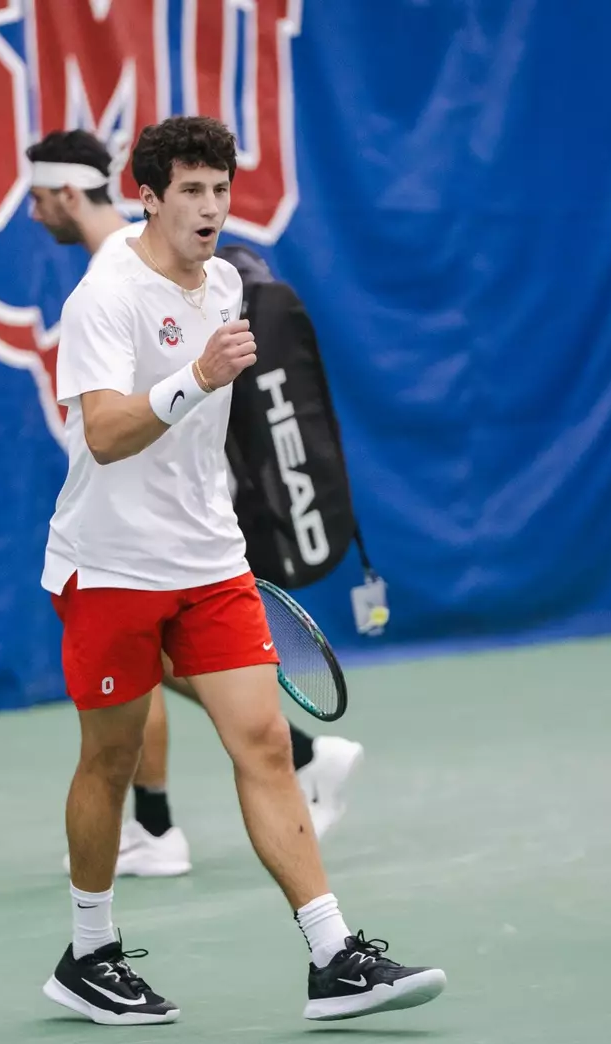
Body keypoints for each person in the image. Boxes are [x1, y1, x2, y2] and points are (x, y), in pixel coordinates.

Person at [37, 115, 445, 1025]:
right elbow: (104, 434)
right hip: (110, 565)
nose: (211, 208)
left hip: (210, 560)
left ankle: (334, 955)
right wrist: (195, 375)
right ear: (147, 194)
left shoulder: (225, 283)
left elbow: (207, 432)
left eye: (221, 189)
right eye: (191, 190)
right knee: (106, 761)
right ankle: (88, 952)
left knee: (262, 743)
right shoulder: (106, 297)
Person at [25, 128, 365, 879]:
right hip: (121, 540)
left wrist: (195, 391)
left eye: (39, 197)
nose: (32, 212)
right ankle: (146, 846)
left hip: (184, 542)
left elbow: (148, 418)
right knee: (139, 696)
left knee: (203, 707)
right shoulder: (126, 275)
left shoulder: (141, 275)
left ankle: (177, 825)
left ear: (68, 194)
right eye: (195, 190)